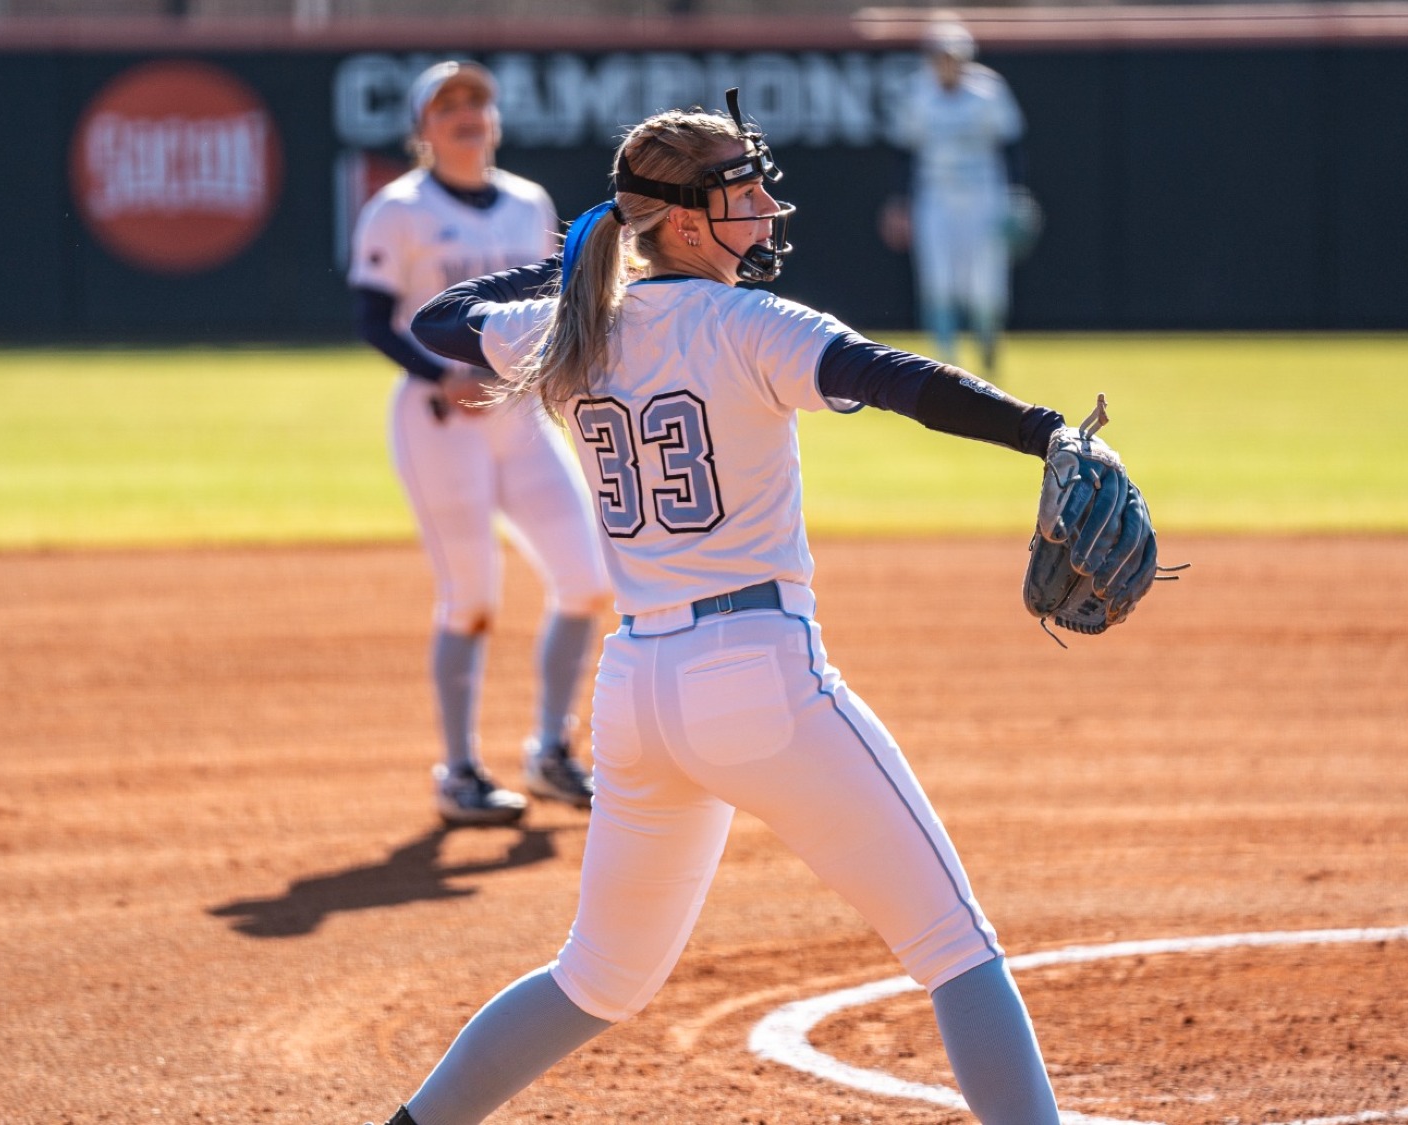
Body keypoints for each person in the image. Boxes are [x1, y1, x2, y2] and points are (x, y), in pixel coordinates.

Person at [372, 91, 1117, 1125]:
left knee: (595, 980)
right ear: (681, 222)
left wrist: (586, 258)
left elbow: (437, 320)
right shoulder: (749, 324)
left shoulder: (566, 328)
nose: (764, 205)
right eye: (738, 190)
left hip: (636, 695)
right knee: (954, 948)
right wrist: (1046, 433)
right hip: (762, 679)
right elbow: (895, 378)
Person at [348, 60, 611, 825]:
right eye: (448, 104)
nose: (466, 114)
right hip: (439, 421)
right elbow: (370, 317)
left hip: (517, 417)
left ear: (493, 122)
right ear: (423, 129)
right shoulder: (397, 209)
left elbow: (548, 306)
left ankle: (550, 752)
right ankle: (459, 770)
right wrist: (436, 373)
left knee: (588, 579)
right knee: (472, 597)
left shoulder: (528, 203)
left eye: (478, 102)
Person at [887, 19, 1027, 381]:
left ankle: (987, 344)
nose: (947, 64)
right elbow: (906, 151)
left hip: (984, 195)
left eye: (953, 57)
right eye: (940, 57)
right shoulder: (917, 93)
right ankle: (946, 358)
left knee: (985, 280)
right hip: (936, 196)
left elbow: (1010, 144)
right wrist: (901, 203)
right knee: (938, 277)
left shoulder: (988, 90)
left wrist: (1014, 194)